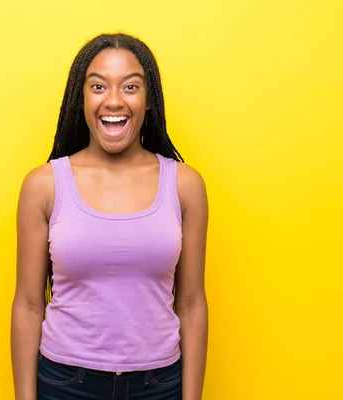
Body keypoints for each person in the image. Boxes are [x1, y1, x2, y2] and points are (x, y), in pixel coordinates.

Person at [11, 33, 209, 400]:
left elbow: (192, 302)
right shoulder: (44, 185)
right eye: (98, 86)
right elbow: (28, 303)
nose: (114, 100)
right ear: (81, 99)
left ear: (149, 100)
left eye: (130, 86)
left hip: (160, 385)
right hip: (66, 384)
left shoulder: (185, 185)